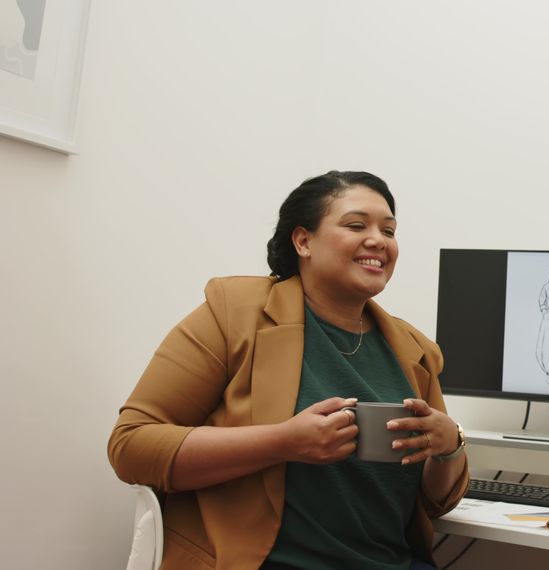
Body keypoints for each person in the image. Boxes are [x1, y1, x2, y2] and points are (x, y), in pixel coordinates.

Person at [108, 171, 468, 570]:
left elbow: (436, 503)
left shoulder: (415, 350)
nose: (379, 240)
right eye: (355, 225)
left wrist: (449, 445)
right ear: (303, 241)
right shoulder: (234, 312)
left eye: (389, 230)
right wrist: (284, 442)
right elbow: (131, 446)